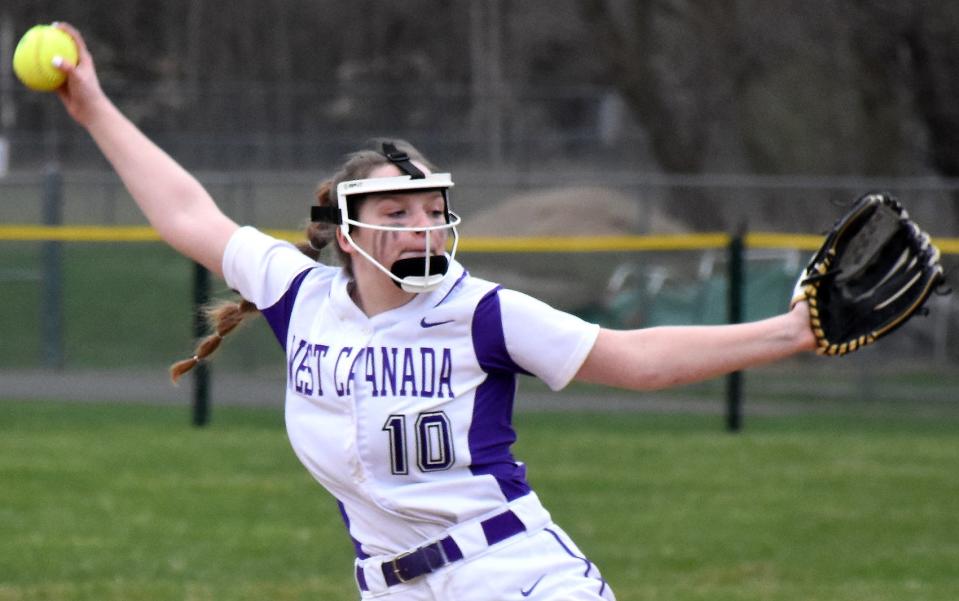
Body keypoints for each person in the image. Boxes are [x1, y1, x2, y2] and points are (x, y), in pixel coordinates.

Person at [52, 23, 816, 601]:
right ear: (348, 231)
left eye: (430, 207)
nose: (421, 222)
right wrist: (91, 107)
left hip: (511, 572)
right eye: (397, 208)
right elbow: (186, 211)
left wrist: (790, 330)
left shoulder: (481, 311)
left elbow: (637, 361)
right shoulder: (299, 295)